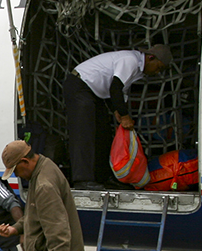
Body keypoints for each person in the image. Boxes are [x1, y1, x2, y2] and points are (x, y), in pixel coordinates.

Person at [63, 44, 172, 189]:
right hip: (80, 85)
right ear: (151, 58)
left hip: (94, 92)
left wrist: (116, 110)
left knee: (103, 134)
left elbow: (115, 90)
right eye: (159, 67)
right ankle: (82, 180)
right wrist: (125, 115)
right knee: (84, 134)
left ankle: (102, 177)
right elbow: (115, 87)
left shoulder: (138, 70)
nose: (158, 72)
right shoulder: (130, 60)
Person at [0, 140, 85, 251]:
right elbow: (35, 213)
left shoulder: (44, 185)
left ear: (24, 161)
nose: (17, 175)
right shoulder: (42, 167)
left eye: (15, 170)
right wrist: (16, 228)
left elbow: (57, 228)